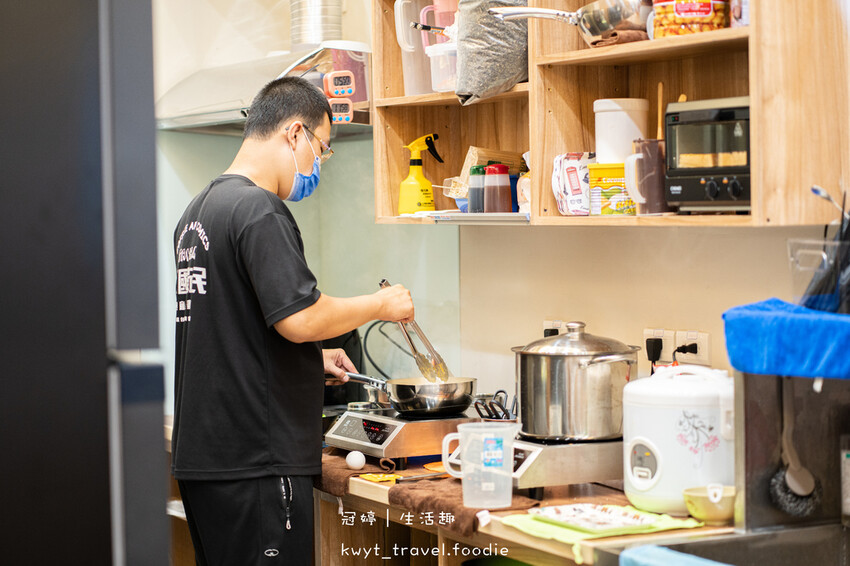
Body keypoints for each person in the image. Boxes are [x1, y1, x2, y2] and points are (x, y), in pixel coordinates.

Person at [171, 76, 414, 565]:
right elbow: (301, 317)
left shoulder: (199, 211)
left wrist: (306, 360)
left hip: (208, 458)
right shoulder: (259, 209)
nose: (318, 164)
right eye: (322, 149)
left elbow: (228, 331)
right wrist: (379, 305)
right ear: (295, 133)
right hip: (256, 462)